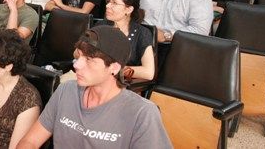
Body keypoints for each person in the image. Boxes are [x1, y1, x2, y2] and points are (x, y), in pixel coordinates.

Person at [17, 26, 171, 148]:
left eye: (89, 59)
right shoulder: (66, 90)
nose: (76, 64)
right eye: (79, 56)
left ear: (114, 68)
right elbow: (30, 141)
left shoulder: (142, 113)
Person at [97, 0, 155, 81]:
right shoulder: (101, 26)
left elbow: (148, 72)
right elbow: (77, 53)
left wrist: (114, 70)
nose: (107, 6)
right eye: (108, 1)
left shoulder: (142, 33)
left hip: (122, 83)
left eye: (114, 3)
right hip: (95, 77)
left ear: (128, 9)